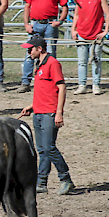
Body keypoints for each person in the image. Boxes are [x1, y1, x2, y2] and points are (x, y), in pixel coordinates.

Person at [20, 35, 74, 195]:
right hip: (38, 112)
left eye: (30, 49)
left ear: (40, 49)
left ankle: (66, 179)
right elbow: (45, 90)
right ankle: (41, 182)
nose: (28, 52)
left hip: (49, 114)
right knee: (42, 149)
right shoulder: (40, 65)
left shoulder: (53, 64)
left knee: (49, 147)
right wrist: (32, 106)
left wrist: (59, 113)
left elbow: (62, 87)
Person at [19, 0, 67, 93]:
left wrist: (60, 21)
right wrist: (26, 23)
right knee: (30, 53)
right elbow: (27, 6)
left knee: (50, 53)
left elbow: (64, 6)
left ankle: (49, 79)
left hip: (50, 24)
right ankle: (26, 81)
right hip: (35, 23)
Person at [71, 0, 109, 96]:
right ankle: (82, 84)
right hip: (82, 33)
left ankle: (96, 84)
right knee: (82, 61)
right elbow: (77, 15)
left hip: (96, 34)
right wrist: (74, 29)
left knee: (96, 60)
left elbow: (107, 14)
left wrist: (105, 31)